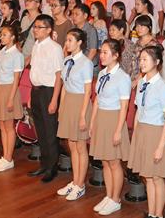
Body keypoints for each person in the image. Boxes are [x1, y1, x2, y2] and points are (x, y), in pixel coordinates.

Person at [128, 45, 165, 218]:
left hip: (156, 133)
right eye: (140, 59)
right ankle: (152, 213)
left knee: (157, 177)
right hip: (142, 131)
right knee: (147, 176)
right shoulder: (141, 82)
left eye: (145, 59)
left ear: (157, 62)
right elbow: (138, 110)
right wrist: (135, 134)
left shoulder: (163, 87)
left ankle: (158, 214)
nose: (141, 63)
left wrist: (161, 146)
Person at [89, 39, 131, 216]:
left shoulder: (123, 77)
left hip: (114, 119)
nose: (101, 55)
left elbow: (124, 106)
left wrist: (118, 130)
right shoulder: (102, 73)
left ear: (116, 55)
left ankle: (115, 199)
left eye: (105, 52)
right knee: (105, 161)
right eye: (101, 52)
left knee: (114, 162)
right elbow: (97, 99)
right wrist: (93, 122)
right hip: (101, 118)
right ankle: (108, 195)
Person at [57, 28, 93, 201]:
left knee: (80, 146)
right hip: (69, 102)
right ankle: (74, 181)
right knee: (71, 145)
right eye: (66, 40)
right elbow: (64, 85)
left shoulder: (86, 63)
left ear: (79, 43)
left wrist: (82, 115)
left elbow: (88, 91)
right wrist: (61, 107)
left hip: (80, 103)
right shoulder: (67, 60)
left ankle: (80, 184)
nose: (67, 43)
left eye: (70, 40)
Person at [27, 14, 63, 183]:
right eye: (34, 26)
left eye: (39, 27)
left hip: (48, 92)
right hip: (36, 91)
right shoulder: (36, 45)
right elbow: (34, 71)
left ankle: (52, 168)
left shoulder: (55, 48)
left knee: (50, 131)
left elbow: (59, 76)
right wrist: (30, 94)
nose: (35, 30)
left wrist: (54, 100)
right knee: (40, 130)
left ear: (49, 30)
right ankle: (44, 163)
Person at [0, 25, 24, 172]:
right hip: (0, 89)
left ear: (13, 37)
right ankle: (5, 157)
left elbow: (17, 79)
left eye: (4, 35)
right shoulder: (2, 51)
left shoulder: (17, 54)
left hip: (10, 90)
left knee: (9, 127)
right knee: (2, 126)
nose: (1, 37)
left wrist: (11, 99)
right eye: (1, 35)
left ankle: (9, 158)